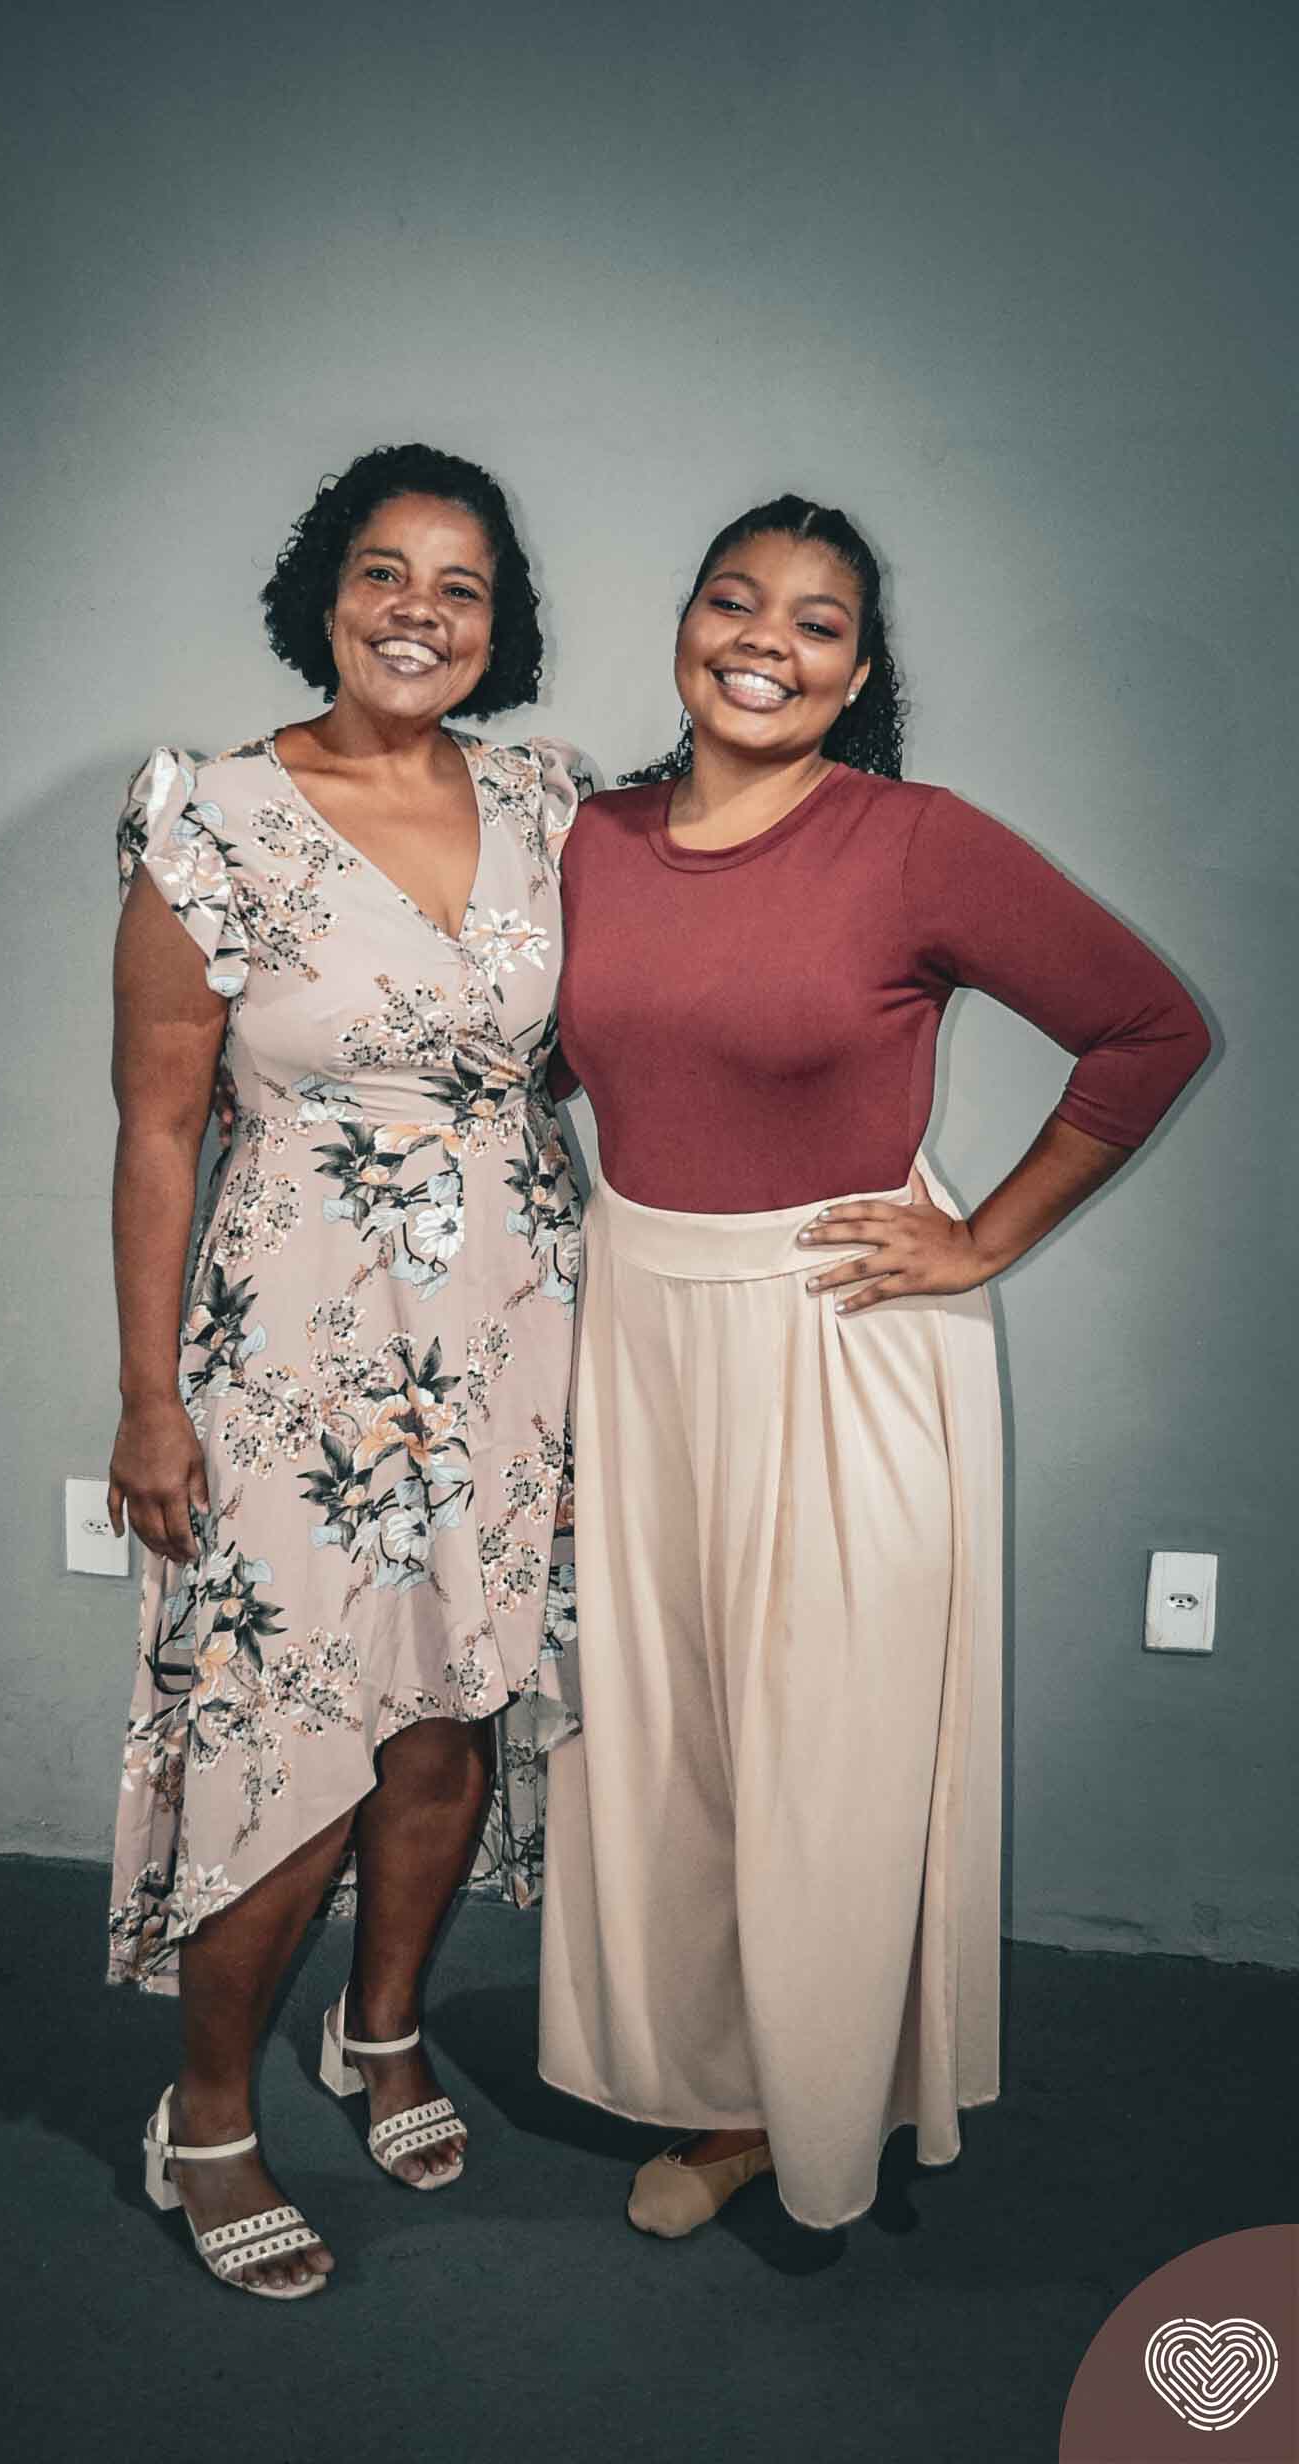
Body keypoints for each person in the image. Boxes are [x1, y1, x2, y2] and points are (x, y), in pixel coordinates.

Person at [538, 493, 1209, 2240]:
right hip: (637, 1328)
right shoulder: (588, 839)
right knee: (671, 1739)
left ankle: (816, 2113)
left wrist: (983, 1238)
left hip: (840, 1333)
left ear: (855, 675)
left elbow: (1151, 1029)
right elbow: (524, 1063)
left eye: (816, 622)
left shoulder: (912, 842)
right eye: (734, 600)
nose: (766, 640)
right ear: (684, 627)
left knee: (827, 1746)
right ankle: (719, 2091)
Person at [107, 442, 596, 2297]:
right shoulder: (214, 815)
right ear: (323, 593)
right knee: (290, 1734)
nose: (418, 612)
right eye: (384, 571)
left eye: (461, 586)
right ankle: (206, 2113)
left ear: (498, 624)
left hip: (513, 1334)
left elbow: (610, 1042)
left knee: (450, 1715)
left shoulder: (547, 801)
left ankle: (378, 2028)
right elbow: (161, 1130)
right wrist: (150, 1400)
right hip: (298, 1341)